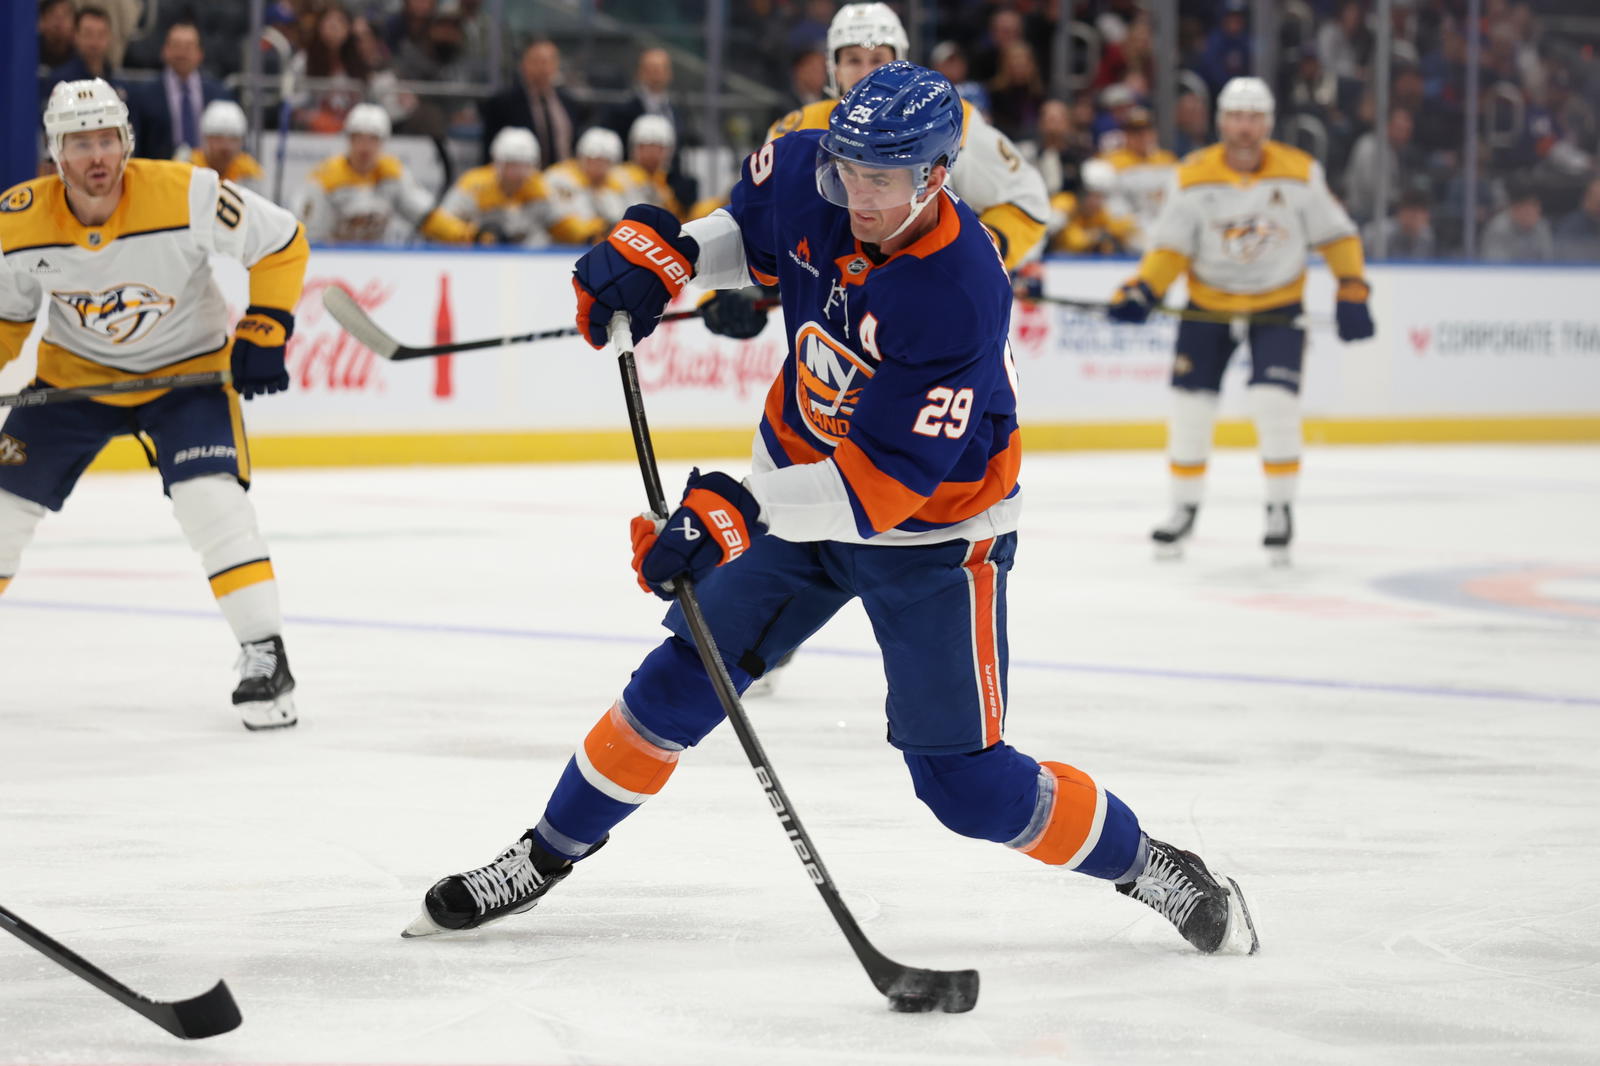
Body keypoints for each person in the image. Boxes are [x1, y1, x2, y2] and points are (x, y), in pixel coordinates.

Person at [404, 62, 1260, 962]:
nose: (854, 193)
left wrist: (732, 514)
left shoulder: (959, 290)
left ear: (936, 176)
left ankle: (1148, 864)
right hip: (798, 481)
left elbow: (876, 491)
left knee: (966, 788)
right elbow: (755, 228)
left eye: (881, 179)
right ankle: (545, 855)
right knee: (677, 682)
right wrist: (677, 259)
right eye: (847, 170)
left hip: (934, 534)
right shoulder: (822, 167)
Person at [0, 79, 308, 729]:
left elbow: (280, 241)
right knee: (1, 508)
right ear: (55, 153)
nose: (96, 156)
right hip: (72, 383)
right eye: (80, 142)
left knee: (211, 501)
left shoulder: (186, 192)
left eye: (107, 139)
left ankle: (264, 654)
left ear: (127, 143)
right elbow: (6, 320)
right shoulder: (17, 220)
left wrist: (267, 325)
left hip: (186, 376)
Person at [1107, 77, 1375, 564]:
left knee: (1275, 406)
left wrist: (1352, 287)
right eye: (1235, 116)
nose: (1244, 127)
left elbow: (1337, 235)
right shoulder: (1191, 175)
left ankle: (1279, 507)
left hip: (1277, 305)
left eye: (1254, 117)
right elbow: (1169, 248)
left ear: (1268, 124)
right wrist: (1144, 289)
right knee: (1191, 410)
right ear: (1221, 121)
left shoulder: (1300, 173)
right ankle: (1183, 510)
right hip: (1207, 303)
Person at [761, 2, 1049, 273]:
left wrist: (979, 256)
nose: (865, 74)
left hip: (919, 294)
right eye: (853, 60)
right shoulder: (795, 131)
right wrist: (735, 289)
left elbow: (1026, 202)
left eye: (877, 60)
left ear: (899, 63)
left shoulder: (947, 118)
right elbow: (760, 216)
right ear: (834, 68)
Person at [296, 104, 478, 245]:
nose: (365, 147)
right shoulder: (325, 177)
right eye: (359, 138)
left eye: (373, 139)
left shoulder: (392, 172)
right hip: (336, 260)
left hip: (379, 261)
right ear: (349, 140)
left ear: (383, 142)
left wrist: (465, 234)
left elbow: (425, 216)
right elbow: (311, 235)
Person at [128, 19, 232, 162]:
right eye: (176, 45)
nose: (182, 53)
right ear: (165, 51)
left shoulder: (219, 94)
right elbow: (136, 147)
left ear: (200, 53)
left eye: (188, 47)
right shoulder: (144, 96)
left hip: (209, 174)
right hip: (161, 175)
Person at [479, 38, 584, 168]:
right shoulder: (504, 103)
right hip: (521, 181)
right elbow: (490, 149)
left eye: (549, 61)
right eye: (537, 61)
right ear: (523, 64)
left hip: (562, 180)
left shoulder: (568, 102)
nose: (543, 67)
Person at [440, 127, 553, 247]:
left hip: (529, 256)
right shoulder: (475, 184)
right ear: (497, 162)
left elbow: (561, 224)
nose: (518, 172)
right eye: (511, 164)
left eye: (525, 165)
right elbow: (442, 222)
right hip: (479, 255)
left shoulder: (541, 187)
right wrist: (474, 235)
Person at [1096, 106, 1177, 250]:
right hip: (1129, 231)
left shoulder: (1167, 161)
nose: (1143, 136)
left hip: (1162, 226)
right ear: (1126, 135)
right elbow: (1109, 206)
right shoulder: (1112, 162)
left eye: (1147, 130)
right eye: (1136, 132)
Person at [541, 127, 626, 245]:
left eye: (604, 161)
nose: (597, 166)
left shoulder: (617, 184)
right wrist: (601, 228)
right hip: (557, 251)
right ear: (581, 157)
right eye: (593, 159)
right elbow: (567, 228)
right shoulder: (561, 177)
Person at [1048, 158, 1136, 255]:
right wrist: (1096, 235)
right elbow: (1072, 242)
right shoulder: (1064, 202)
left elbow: (1123, 229)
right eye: (1094, 195)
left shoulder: (1101, 212)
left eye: (1102, 196)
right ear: (1082, 192)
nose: (1098, 202)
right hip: (1054, 261)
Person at [611, 114, 683, 220]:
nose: (652, 153)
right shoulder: (619, 176)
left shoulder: (664, 186)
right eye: (646, 147)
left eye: (658, 148)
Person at [186, 100, 265, 194]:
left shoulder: (249, 172)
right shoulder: (187, 168)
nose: (226, 146)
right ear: (205, 139)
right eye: (218, 138)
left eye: (233, 139)